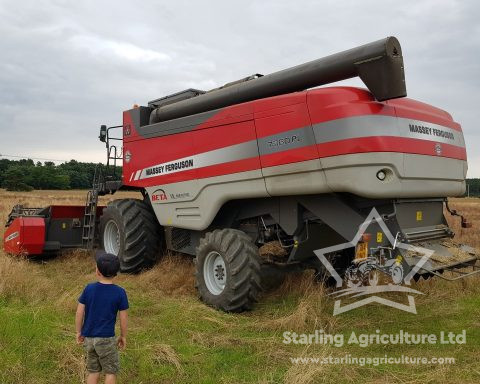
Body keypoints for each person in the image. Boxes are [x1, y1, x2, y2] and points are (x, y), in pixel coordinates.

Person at [75, 252, 129, 384]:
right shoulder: (120, 292)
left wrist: (79, 332)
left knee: (93, 371)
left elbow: (79, 312)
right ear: (116, 273)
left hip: (89, 338)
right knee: (110, 372)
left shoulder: (89, 288)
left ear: (97, 271)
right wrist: (123, 336)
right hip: (106, 339)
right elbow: (123, 318)